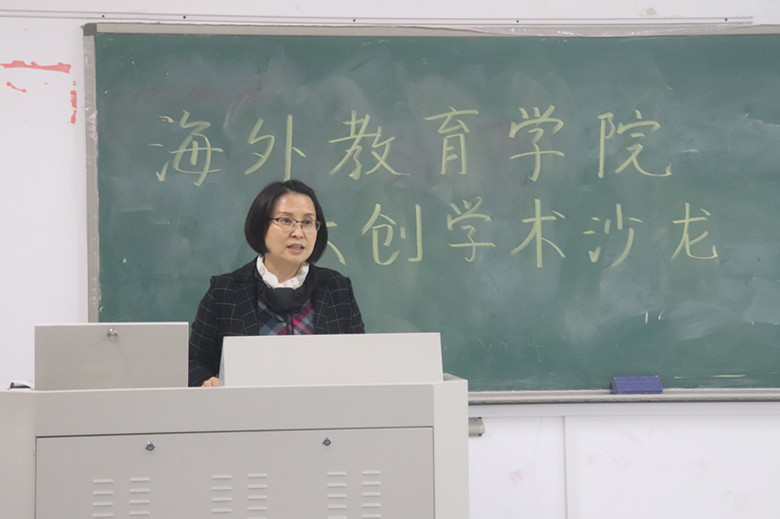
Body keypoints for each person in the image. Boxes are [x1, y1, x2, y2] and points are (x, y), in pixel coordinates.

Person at [188, 179, 365, 387]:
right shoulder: (224, 291)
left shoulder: (337, 289)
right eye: (286, 220)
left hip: (321, 406)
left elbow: (360, 362)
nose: (298, 233)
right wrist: (206, 382)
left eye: (308, 222)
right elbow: (193, 363)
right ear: (261, 225)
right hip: (246, 407)